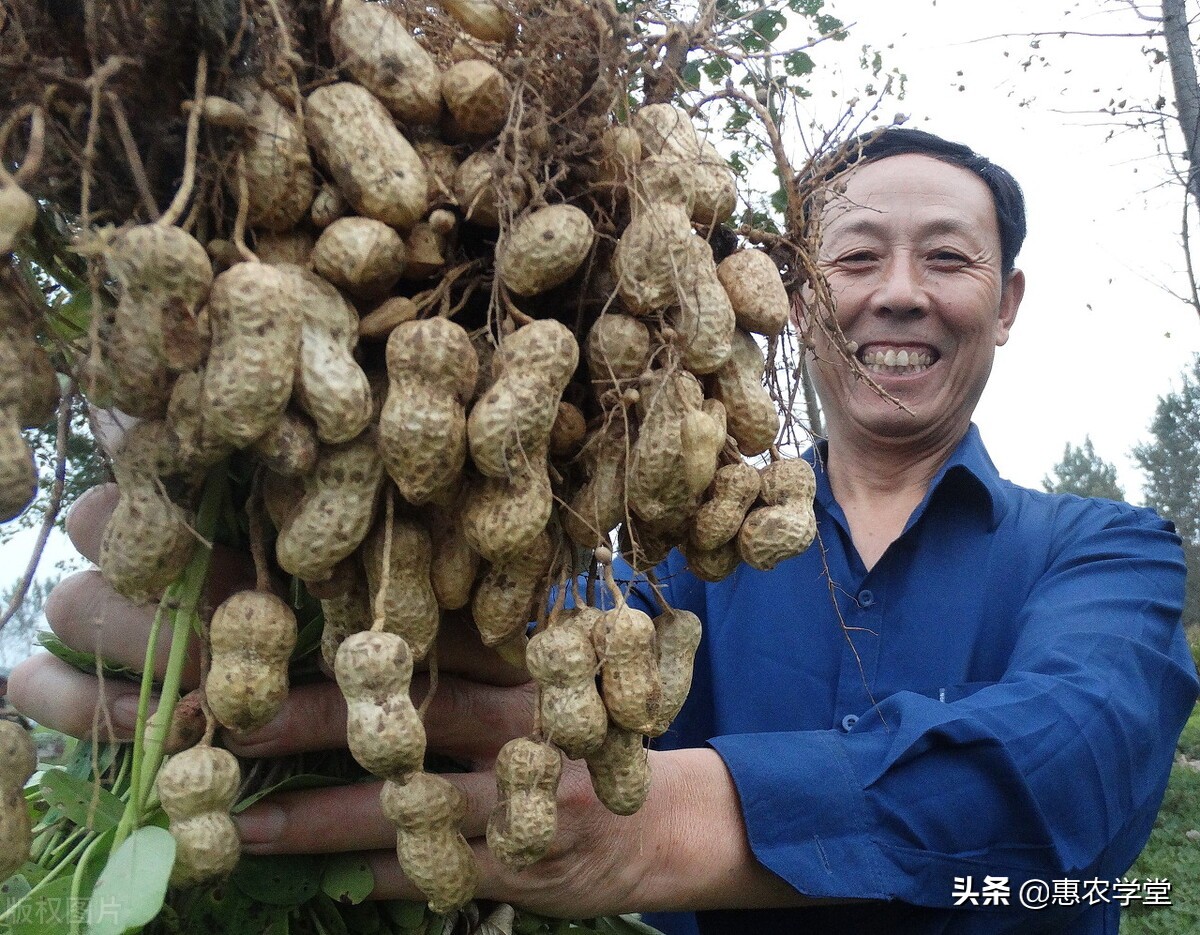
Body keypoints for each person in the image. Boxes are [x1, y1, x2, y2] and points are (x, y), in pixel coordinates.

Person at [8, 128, 1198, 934]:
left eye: (948, 257)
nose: (898, 291)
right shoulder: (642, 557)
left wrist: (661, 832)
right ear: (792, 289)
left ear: (1007, 301)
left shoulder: (1103, 549)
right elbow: (468, 680)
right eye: (853, 254)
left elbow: (1073, 759)